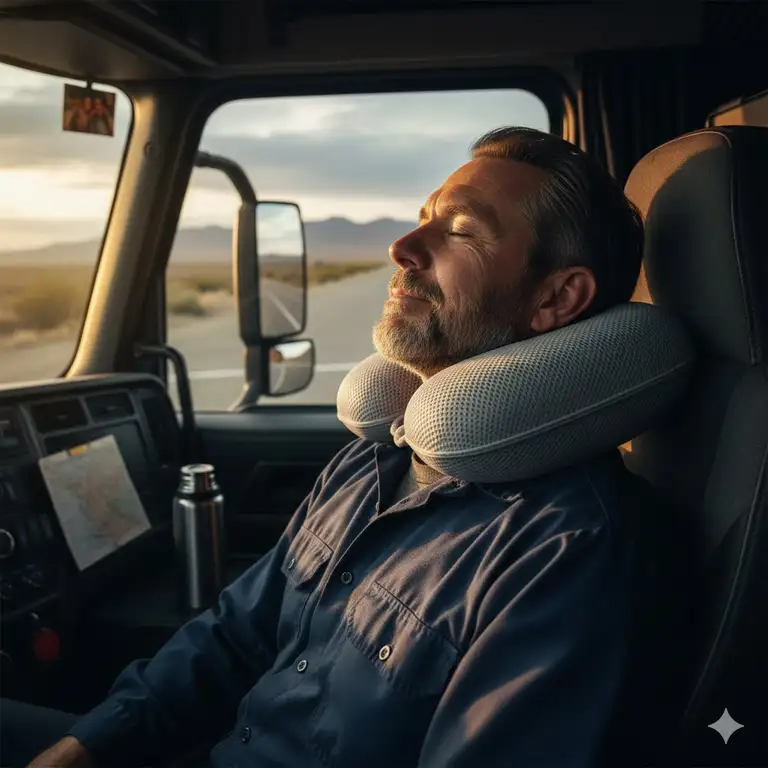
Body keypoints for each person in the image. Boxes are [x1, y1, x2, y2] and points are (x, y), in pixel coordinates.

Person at [2, 127, 649, 768]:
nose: (401, 247)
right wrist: (88, 746)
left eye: (459, 231)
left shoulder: (565, 548)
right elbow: (235, 635)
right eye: (423, 217)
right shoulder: (372, 460)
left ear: (556, 298)